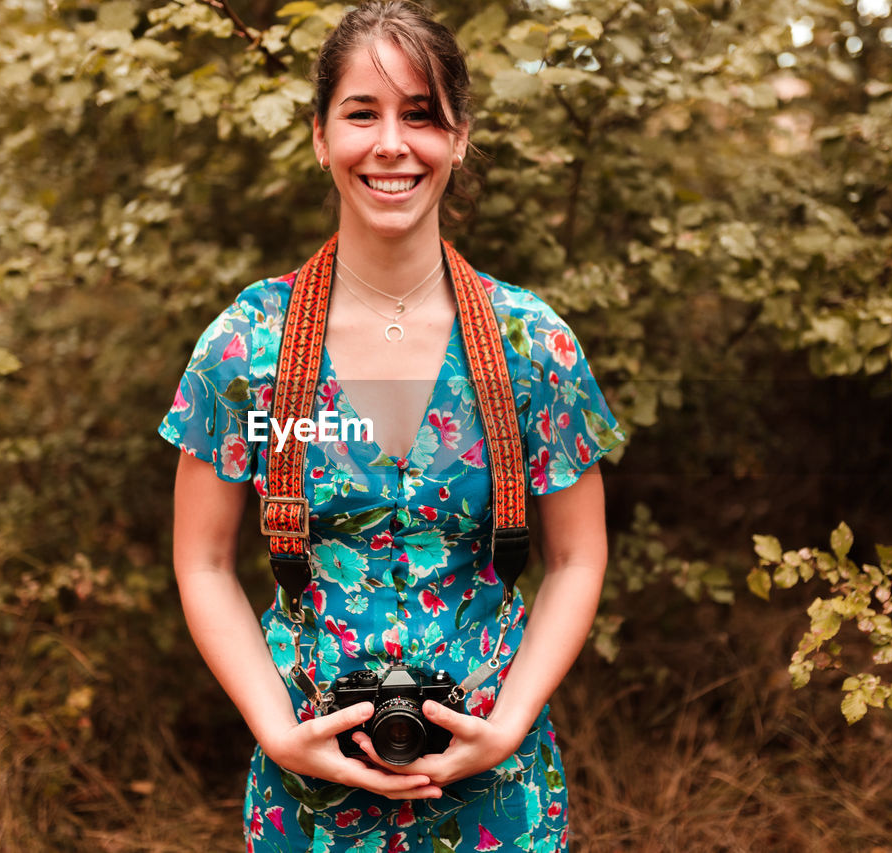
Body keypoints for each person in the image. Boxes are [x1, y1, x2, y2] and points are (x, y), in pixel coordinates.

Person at [158, 2, 626, 850]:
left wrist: (511, 720)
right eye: (361, 113)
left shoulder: (532, 344)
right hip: (308, 792)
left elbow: (580, 555)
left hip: (498, 790)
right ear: (318, 135)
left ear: (459, 136)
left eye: (420, 114)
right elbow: (200, 560)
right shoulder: (249, 347)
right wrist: (274, 727)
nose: (391, 144)